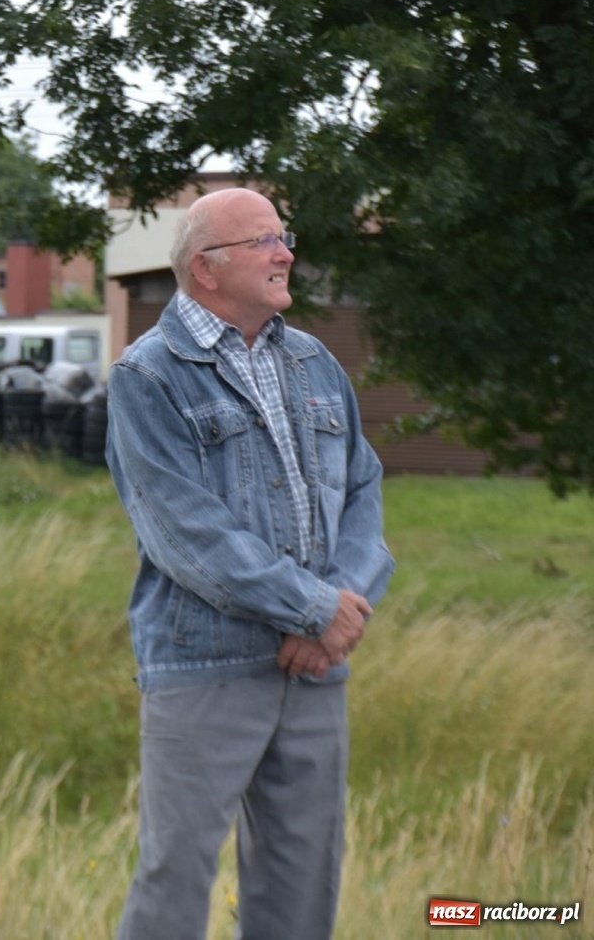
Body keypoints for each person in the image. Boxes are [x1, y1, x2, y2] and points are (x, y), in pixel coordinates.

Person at [104, 186, 395, 940]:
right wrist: (311, 608)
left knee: (303, 882)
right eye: (264, 240)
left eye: (283, 236)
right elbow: (186, 531)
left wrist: (337, 609)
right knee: (176, 877)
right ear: (206, 267)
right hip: (205, 667)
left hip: (314, 670)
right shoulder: (149, 374)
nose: (285, 252)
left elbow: (363, 490)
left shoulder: (314, 361)